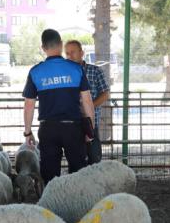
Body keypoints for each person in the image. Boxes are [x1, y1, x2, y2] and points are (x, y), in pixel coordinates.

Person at [23, 29, 96, 184]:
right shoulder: (76, 69)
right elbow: (87, 101)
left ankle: (51, 205)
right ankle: (78, 205)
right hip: (73, 129)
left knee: (49, 175)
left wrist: (27, 132)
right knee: (78, 173)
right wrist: (90, 129)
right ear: (61, 45)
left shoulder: (35, 72)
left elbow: (29, 105)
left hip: (48, 130)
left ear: (43, 48)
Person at [64, 40, 110, 164]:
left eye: (73, 52)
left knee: (94, 158)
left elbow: (105, 93)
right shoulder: (64, 73)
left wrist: (89, 107)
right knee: (75, 160)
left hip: (91, 123)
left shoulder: (95, 71)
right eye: (67, 53)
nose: (69, 56)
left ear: (82, 53)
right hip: (71, 124)